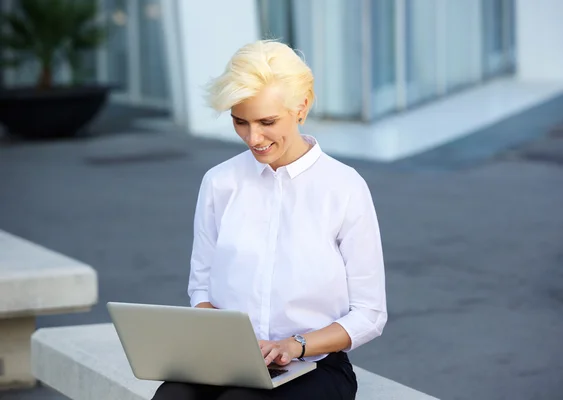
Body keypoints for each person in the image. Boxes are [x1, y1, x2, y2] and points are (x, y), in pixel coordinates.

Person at [152, 39, 387, 400]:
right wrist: (224, 338)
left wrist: (294, 345)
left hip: (315, 363)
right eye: (240, 122)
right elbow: (201, 286)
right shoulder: (219, 182)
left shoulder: (344, 188)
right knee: (172, 397)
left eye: (267, 121)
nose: (253, 137)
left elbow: (370, 314)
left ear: (301, 107)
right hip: (229, 358)